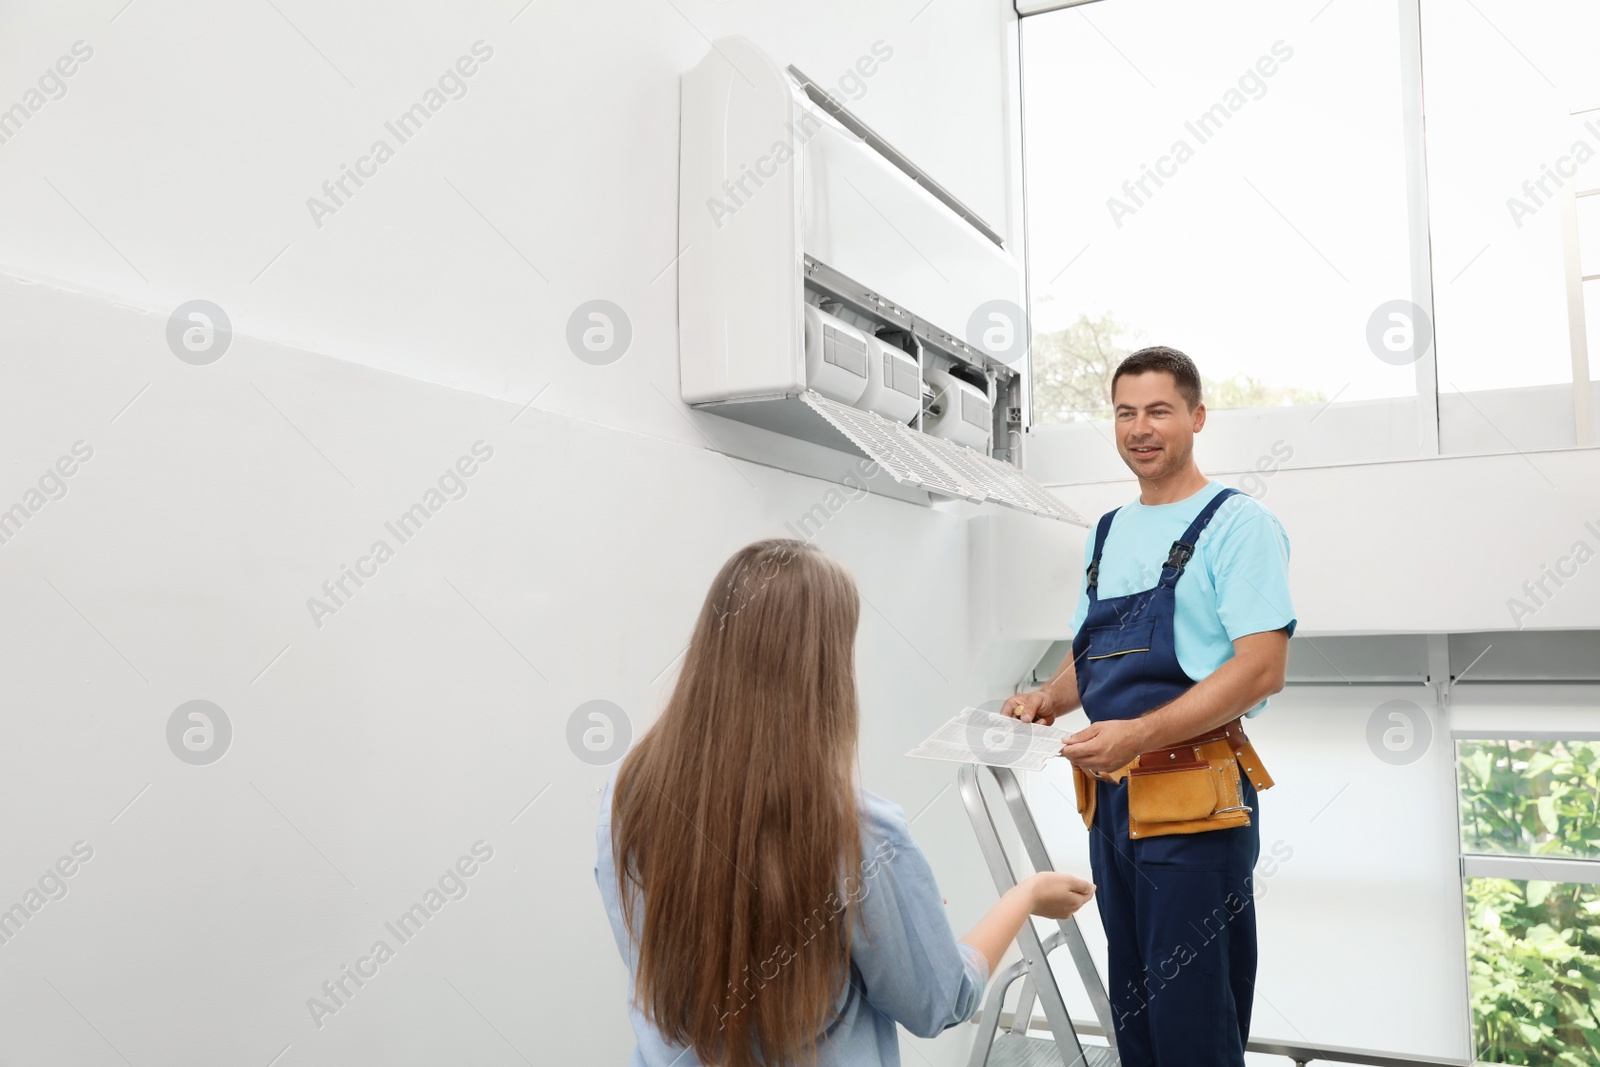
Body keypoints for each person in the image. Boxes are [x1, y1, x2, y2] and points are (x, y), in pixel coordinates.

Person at [595, 538, 1095, 1067]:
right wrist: (1027, 896)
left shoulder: (624, 795)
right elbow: (941, 1003)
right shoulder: (857, 830)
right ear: (824, 669)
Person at [1006, 346, 1296, 1067]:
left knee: (1192, 1016)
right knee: (1133, 1008)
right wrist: (1048, 695)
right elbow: (1097, 651)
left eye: (1159, 410)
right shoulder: (1108, 530)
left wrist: (1139, 732)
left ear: (1196, 417)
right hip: (1114, 806)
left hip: (1196, 805)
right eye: (1126, 412)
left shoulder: (1238, 525)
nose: (1141, 426)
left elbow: (1261, 668)